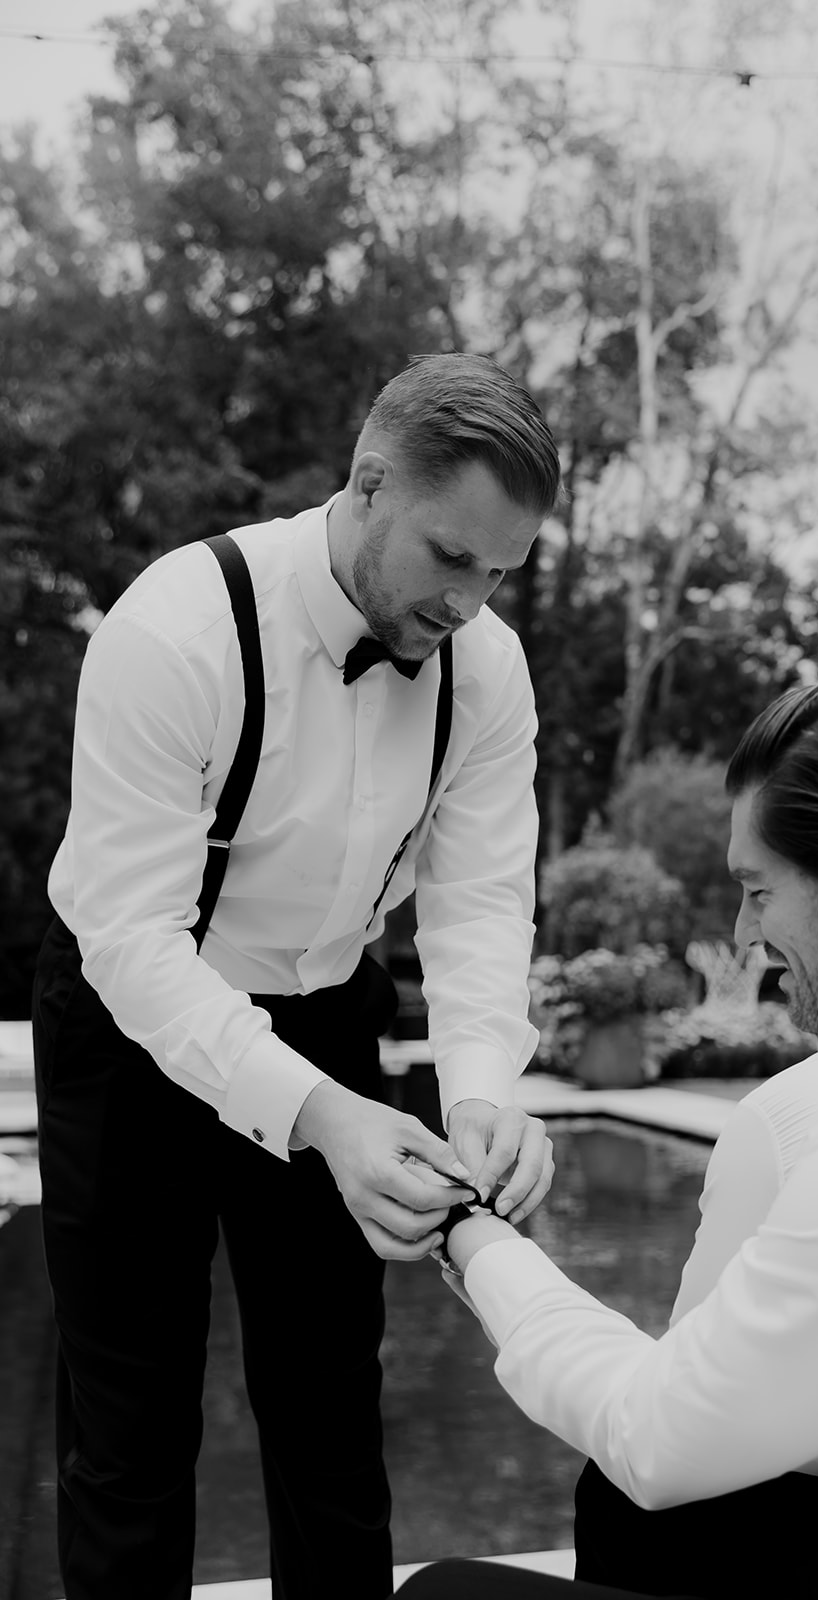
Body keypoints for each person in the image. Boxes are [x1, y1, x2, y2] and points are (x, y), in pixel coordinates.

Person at [31, 353, 561, 1600]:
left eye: (501, 570)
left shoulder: (486, 670)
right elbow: (133, 940)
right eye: (451, 558)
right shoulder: (177, 626)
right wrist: (319, 1121)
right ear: (368, 483)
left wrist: (480, 1090)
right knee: (131, 1425)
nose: (472, 603)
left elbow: (479, 900)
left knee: (329, 1408)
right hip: (130, 1012)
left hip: (328, 1009)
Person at [402, 673, 818, 1600]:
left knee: (449, 1597)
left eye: (757, 890)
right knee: (666, 1514)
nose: (744, 932)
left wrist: (471, 1238)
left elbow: (650, 1435)